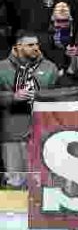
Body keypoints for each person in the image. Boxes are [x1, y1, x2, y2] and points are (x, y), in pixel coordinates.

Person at [0, 33, 59, 187]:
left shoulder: (50, 67)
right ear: (18, 47)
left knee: (39, 183)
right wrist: (13, 97)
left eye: (36, 44)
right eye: (30, 45)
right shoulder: (2, 68)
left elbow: (58, 96)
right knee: (15, 183)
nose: (35, 48)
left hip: (42, 134)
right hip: (13, 133)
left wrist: (41, 96)